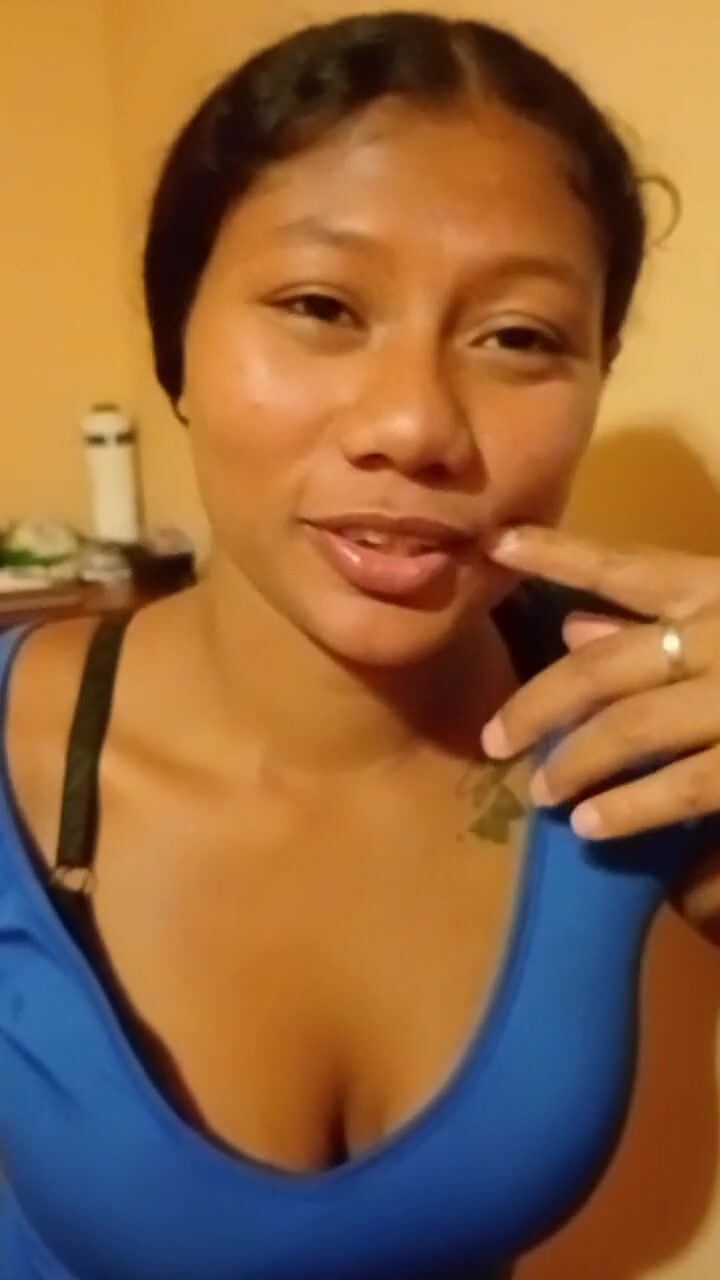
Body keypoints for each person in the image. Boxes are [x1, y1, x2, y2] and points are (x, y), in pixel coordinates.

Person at [1, 10, 719, 1279]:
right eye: (321, 305)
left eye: (519, 337)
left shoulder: (628, 738)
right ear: (177, 345)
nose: (416, 424)